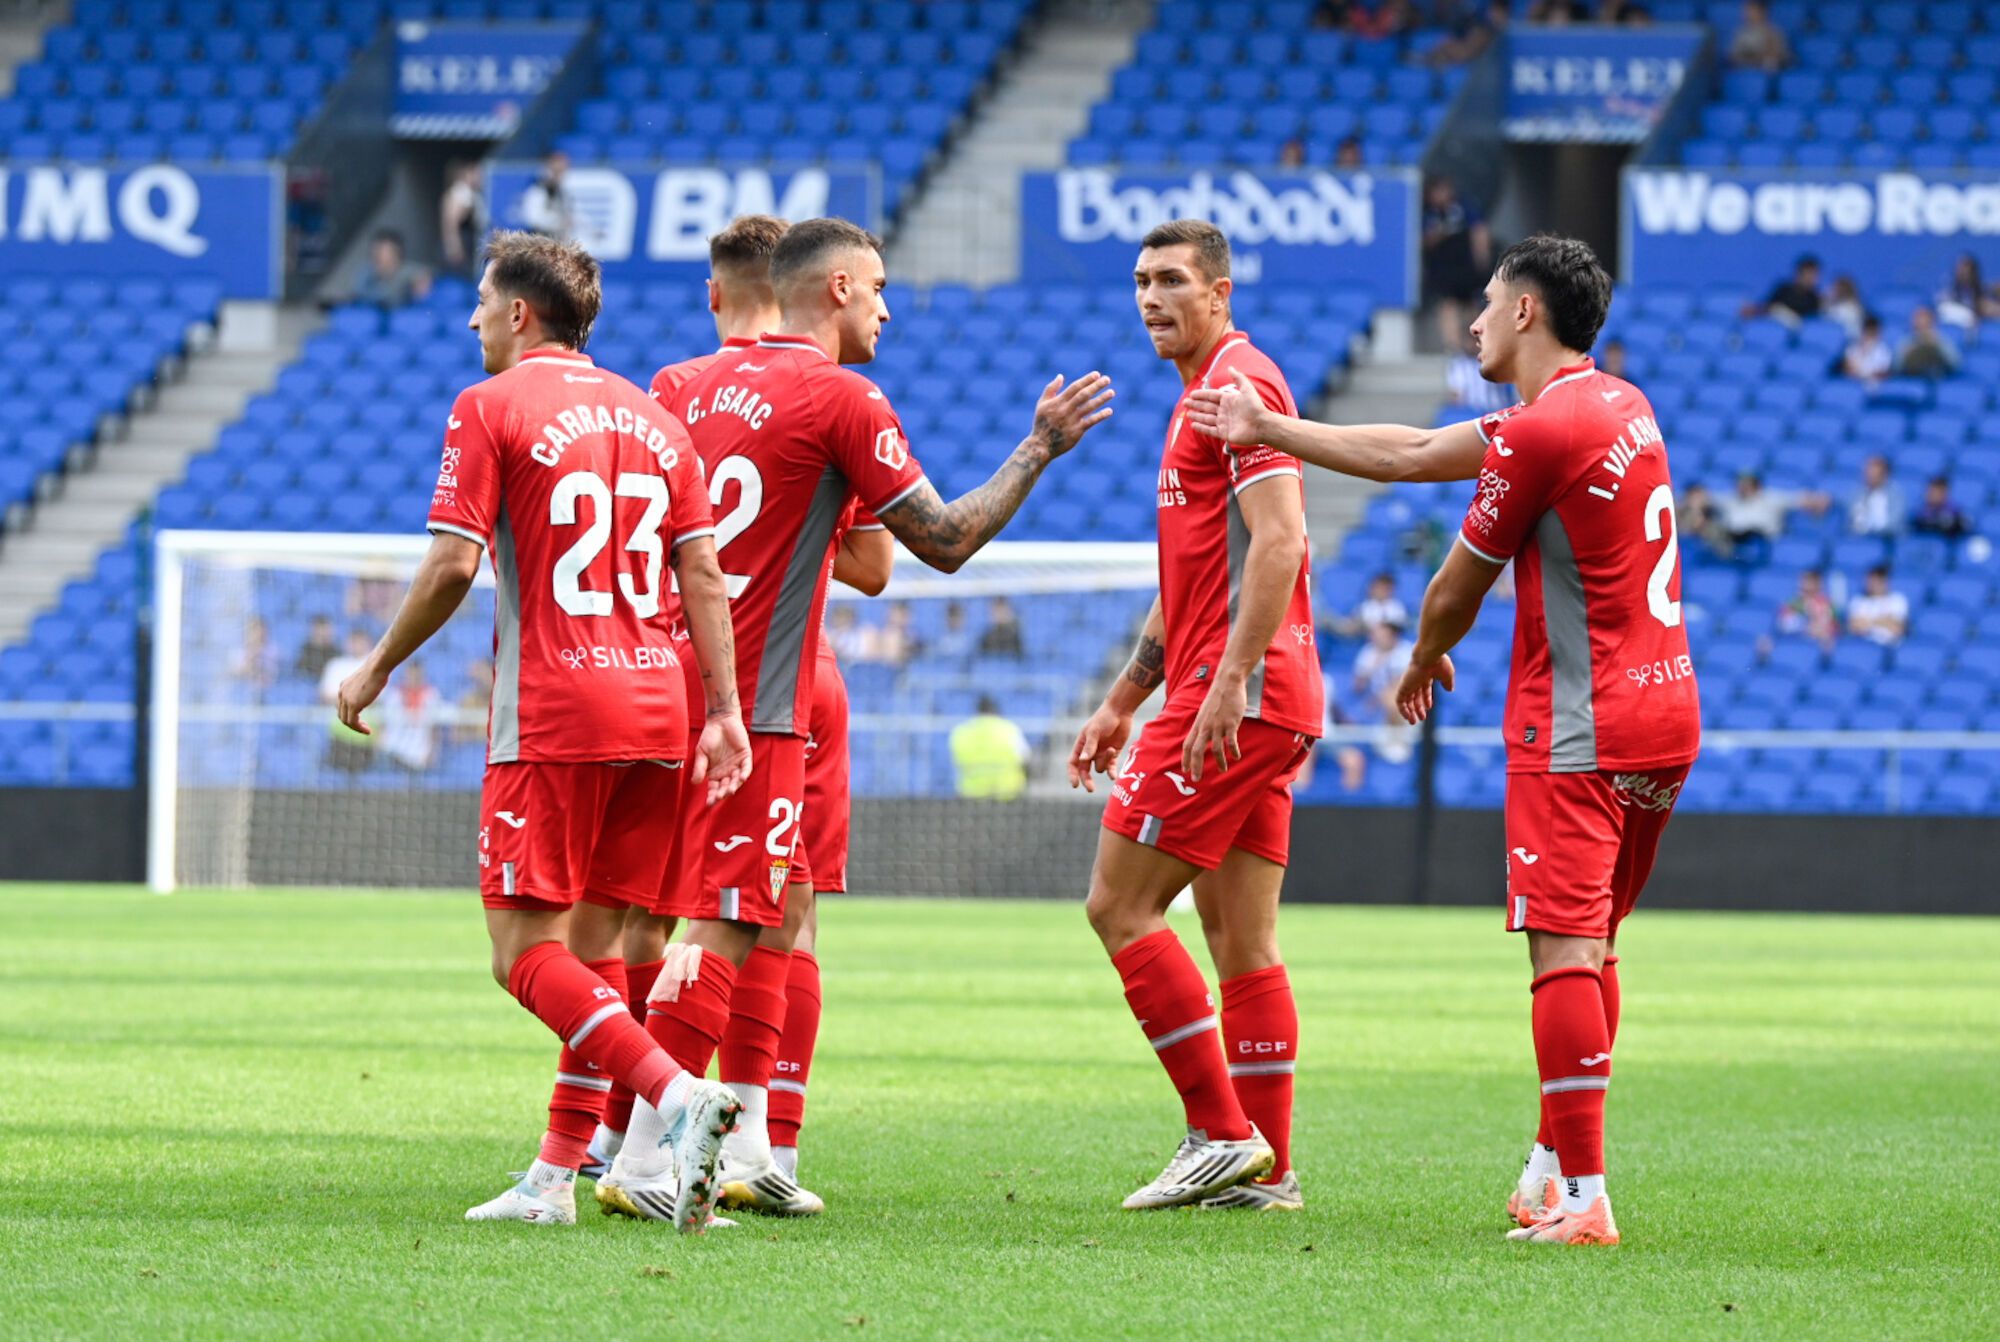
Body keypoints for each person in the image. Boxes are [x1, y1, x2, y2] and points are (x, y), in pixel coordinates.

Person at [1187, 232, 1702, 1246]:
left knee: (1559, 949)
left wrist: (1419, 659)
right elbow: (1412, 453)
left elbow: (1454, 584)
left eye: (1484, 301)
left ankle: (1585, 1197)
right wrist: (1273, 427)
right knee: (1592, 947)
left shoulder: (1540, 432)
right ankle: (1554, 1163)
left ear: (1523, 312)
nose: (1470, 319)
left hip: (1579, 723)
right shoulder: (1614, 404)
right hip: (1665, 709)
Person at [605, 215, 1113, 1219]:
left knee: (672, 918)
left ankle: (692, 1146)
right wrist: (1037, 448)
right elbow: (941, 543)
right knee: (727, 922)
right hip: (758, 704)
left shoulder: (672, 388)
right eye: (876, 286)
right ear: (834, 289)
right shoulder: (842, 395)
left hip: (661, 685)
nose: (886, 304)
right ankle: (642, 1160)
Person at [334, 230, 752, 1234]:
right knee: (598, 943)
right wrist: (726, 711)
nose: (472, 317)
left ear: (520, 313)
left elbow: (448, 566)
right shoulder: (656, 419)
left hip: (556, 707)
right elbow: (703, 575)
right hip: (662, 703)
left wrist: (378, 664)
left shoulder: (489, 406)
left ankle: (674, 1094)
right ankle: (555, 1177)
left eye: (482, 301)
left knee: (522, 952)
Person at [1068, 219, 1322, 1214]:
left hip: (1238, 698)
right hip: (1258, 697)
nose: (1149, 297)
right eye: (1138, 281)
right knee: (1238, 938)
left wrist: (1224, 682)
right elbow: (1193, 581)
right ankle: (1270, 1170)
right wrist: (1125, 695)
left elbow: (1281, 541)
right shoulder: (1195, 402)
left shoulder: (1235, 388)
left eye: (1171, 279)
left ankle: (1219, 1133)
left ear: (1218, 290)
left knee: (1117, 906)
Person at [1422, 177, 1492, 353]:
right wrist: (1439, 234)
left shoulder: (1464, 206)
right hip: (1443, 267)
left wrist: (1481, 260)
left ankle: (1476, 342)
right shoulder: (1429, 213)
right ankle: (1453, 346)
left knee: (1472, 303)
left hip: (1465, 264)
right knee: (1448, 304)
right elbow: (1424, 241)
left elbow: (1479, 231)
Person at [950, 693, 1031, 799]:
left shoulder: (961, 731)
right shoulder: (1009, 729)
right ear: (995, 711)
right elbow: (1026, 759)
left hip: (971, 795)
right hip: (1007, 794)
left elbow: (955, 761)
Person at [319, 629, 378, 773]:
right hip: (338, 731)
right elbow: (326, 696)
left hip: (366, 733)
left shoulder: (375, 665)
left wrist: (348, 699)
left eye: (360, 641)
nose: (356, 645)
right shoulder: (336, 665)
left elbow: (378, 698)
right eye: (354, 641)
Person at [1716, 471, 1825, 550]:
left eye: (1745, 482)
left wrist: (1818, 501)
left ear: (1756, 484)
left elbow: (1799, 500)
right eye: (1739, 482)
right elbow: (1707, 499)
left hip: (1763, 542)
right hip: (1733, 542)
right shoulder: (1730, 499)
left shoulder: (1771, 498)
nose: (1740, 486)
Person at [379, 659, 441, 773]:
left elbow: (434, 728)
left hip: (419, 753)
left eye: (416, 675)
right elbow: (383, 723)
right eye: (410, 674)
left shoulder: (431, 695)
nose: (413, 678)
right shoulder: (394, 695)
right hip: (393, 750)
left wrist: (432, 751)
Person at [353, 229, 430, 311]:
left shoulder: (410, 272)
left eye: (381, 251)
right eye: (375, 252)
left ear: (396, 253)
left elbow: (424, 279)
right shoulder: (367, 276)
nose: (376, 256)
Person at [439, 160, 489, 279]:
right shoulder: (460, 194)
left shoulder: (473, 194)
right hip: (461, 241)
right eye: (476, 173)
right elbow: (451, 223)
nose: (480, 177)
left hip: (469, 240)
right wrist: (454, 246)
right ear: (468, 173)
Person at [1447, 330, 1512, 413]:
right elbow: (1456, 395)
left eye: (1475, 341)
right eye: (1469, 341)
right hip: (1469, 414)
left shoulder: (1495, 360)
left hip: (1496, 410)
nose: (1472, 345)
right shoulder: (1459, 364)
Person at [1775, 568, 1839, 651]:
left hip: (1818, 646)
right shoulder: (1792, 603)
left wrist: (1819, 629)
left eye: (1808, 580)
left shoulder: (1828, 604)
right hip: (1794, 644)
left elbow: (1833, 628)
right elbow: (1784, 625)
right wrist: (1806, 626)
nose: (1803, 584)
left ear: (1817, 584)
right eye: (1802, 580)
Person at [1748, 254, 1820, 325]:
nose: (1810, 279)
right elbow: (1767, 307)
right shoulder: (1783, 290)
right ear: (1799, 274)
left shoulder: (1814, 298)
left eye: (1814, 275)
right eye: (1808, 274)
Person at [518, 150, 575, 241]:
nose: (559, 175)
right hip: (540, 243)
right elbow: (532, 218)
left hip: (559, 244)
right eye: (556, 171)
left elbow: (572, 216)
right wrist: (558, 222)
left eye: (562, 171)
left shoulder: (563, 192)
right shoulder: (537, 190)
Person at [1847, 566, 1908, 647]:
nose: (1872, 584)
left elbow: (1897, 628)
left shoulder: (1898, 600)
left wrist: (1867, 621)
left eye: (1877, 580)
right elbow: (1853, 626)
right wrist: (1884, 620)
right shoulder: (1858, 600)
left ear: (1885, 582)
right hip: (1863, 647)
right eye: (1870, 580)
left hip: (1890, 646)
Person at [1848, 454, 1905, 538]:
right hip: (1858, 539)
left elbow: (1895, 524)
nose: (1870, 477)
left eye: (1875, 474)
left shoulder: (1896, 496)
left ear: (1885, 476)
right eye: (1868, 473)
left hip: (1885, 539)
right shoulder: (1856, 494)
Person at [1897, 305, 1962, 379]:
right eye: (1918, 320)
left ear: (1932, 322)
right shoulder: (1906, 342)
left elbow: (1956, 365)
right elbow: (1897, 368)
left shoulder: (1942, 340)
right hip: (1912, 379)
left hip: (1939, 378)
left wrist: (1938, 344)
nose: (1922, 324)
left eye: (1925, 320)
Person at [1675, 482, 1731, 560]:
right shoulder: (1678, 517)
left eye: (1699, 497)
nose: (1696, 501)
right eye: (1693, 497)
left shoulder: (1715, 519)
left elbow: (1725, 551)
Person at [1728, 0, 1790, 70]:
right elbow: (1733, 56)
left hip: (1766, 70)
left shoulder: (1774, 31)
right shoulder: (1741, 32)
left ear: (1763, 12)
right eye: (1748, 10)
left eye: (1753, 10)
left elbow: (1782, 55)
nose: (1749, 14)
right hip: (1746, 68)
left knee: (1771, 64)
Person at [1936, 254, 1988, 333]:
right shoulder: (1948, 288)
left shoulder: (1980, 291)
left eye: (1966, 267)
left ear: (1972, 271)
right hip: (1952, 322)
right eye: (1960, 267)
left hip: (1972, 325)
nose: (1962, 270)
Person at [1841, 315, 1892, 388]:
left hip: (1875, 386)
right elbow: (1848, 369)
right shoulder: (1853, 348)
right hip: (1852, 384)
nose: (1869, 336)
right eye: (1867, 332)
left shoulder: (1884, 351)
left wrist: (1863, 373)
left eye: (1872, 332)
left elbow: (1882, 373)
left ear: (1877, 333)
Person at [229, 616, 278, 689]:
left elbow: (273, 674)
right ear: (248, 633)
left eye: (262, 631)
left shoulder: (274, 651)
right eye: (255, 631)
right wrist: (250, 660)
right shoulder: (238, 652)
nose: (259, 635)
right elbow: (234, 674)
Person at [454, 658, 493, 744]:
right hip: (472, 752)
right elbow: (456, 735)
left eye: (486, 674)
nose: (483, 679)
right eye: (481, 675)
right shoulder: (468, 701)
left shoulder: (502, 701)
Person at [291, 614, 339, 682]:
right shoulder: (305, 651)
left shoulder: (336, 652)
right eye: (319, 630)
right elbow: (300, 673)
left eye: (325, 630)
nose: (322, 633)